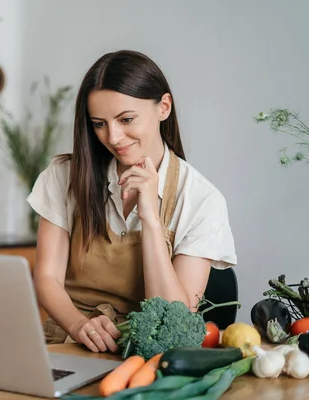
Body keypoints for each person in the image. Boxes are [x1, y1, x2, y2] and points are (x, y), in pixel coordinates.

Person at [26, 50, 237, 354]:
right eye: (99, 123)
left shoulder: (202, 200)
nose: (113, 137)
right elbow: (46, 278)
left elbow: (172, 319)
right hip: (66, 342)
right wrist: (78, 325)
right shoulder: (62, 177)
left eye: (126, 119)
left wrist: (150, 217)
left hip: (144, 354)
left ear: (163, 107)